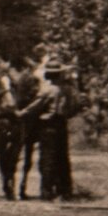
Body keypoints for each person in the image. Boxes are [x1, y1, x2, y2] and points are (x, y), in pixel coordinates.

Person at [24, 63, 75, 200]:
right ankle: (65, 190)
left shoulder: (47, 90)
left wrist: (21, 113)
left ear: (49, 75)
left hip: (48, 126)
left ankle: (46, 192)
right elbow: (71, 109)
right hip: (62, 125)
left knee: (47, 159)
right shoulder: (67, 90)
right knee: (63, 158)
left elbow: (35, 106)